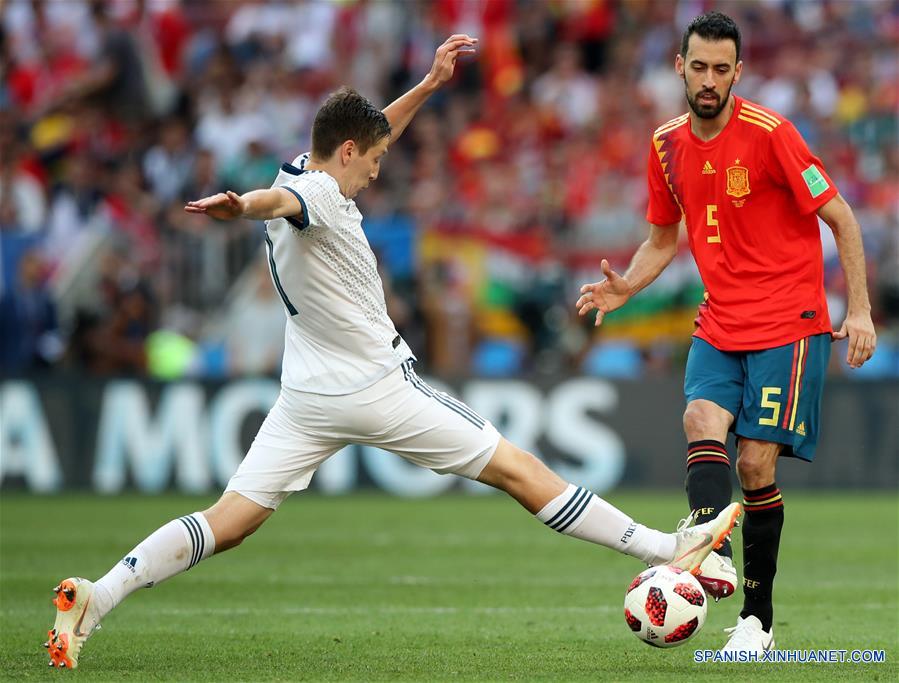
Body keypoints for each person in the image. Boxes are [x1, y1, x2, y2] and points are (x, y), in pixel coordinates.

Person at [44, 35, 740, 669]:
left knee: (228, 521)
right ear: (346, 153)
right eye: (372, 162)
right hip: (376, 387)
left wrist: (429, 86)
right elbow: (279, 201)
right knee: (517, 469)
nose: (377, 174)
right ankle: (664, 547)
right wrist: (241, 206)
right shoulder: (310, 188)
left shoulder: (307, 163)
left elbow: (348, 146)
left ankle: (99, 595)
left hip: (306, 396)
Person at [576, 12, 876, 654]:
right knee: (699, 418)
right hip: (721, 319)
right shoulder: (664, 145)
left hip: (789, 322)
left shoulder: (773, 134)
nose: (709, 80)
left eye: (721, 69)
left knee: (755, 464)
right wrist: (626, 285)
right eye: (699, 66)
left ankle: (757, 620)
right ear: (679, 67)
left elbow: (842, 217)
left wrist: (860, 311)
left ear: (737, 72)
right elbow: (662, 238)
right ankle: (709, 548)